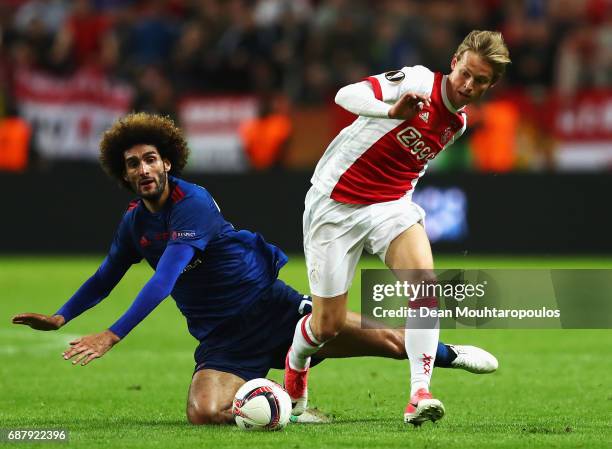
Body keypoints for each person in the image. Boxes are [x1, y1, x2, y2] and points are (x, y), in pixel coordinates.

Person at [12, 112, 498, 425]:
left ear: (167, 163)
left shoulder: (192, 203)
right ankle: (279, 407)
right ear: (124, 175)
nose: (143, 169)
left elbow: (164, 278)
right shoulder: (134, 225)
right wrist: (62, 315)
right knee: (203, 413)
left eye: (150, 159)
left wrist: (112, 334)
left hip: (274, 311)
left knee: (392, 344)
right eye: (133, 164)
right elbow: (106, 276)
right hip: (222, 339)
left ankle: (450, 353)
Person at [284, 30, 511, 426]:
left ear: (491, 85)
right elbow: (345, 96)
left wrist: (401, 203)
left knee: (425, 284)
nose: (469, 85)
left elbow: (410, 165)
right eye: (466, 73)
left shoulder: (457, 123)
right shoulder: (418, 81)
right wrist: (391, 112)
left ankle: (419, 394)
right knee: (328, 325)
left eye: (481, 81)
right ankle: (295, 362)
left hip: (389, 205)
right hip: (334, 203)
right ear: (455, 61)